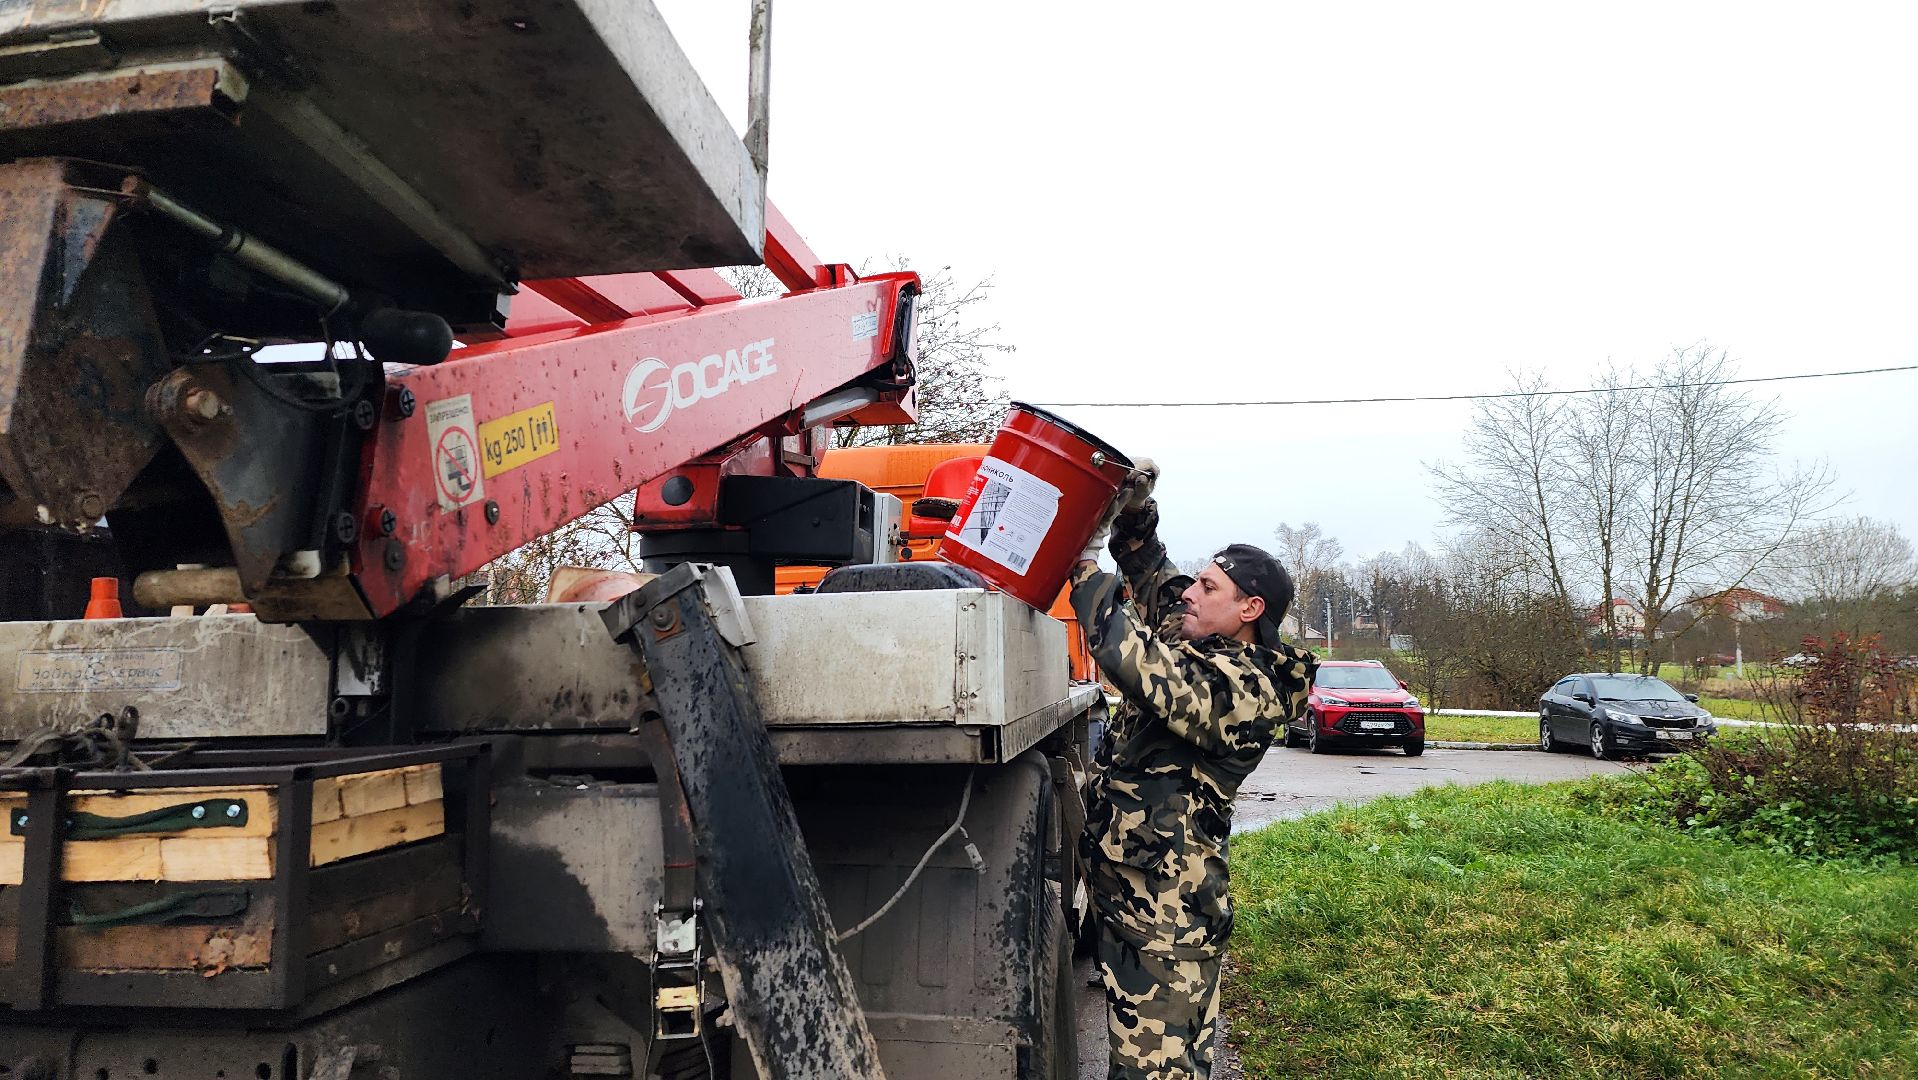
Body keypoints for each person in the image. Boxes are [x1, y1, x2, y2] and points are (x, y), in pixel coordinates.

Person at [1068, 461, 1316, 1080]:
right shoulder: (1204, 645)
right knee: (1156, 1062)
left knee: (1157, 1070)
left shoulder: (1250, 686)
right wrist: (1128, 517)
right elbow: (1156, 579)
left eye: (1208, 588)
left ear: (1249, 608)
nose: (1189, 594)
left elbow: (1139, 662)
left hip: (1168, 913)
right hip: (1138, 898)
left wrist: (1087, 566)